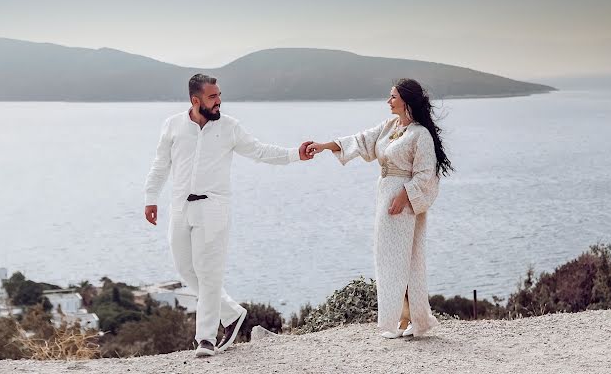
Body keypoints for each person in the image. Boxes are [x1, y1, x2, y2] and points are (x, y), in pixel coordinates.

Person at [144, 73, 313, 357]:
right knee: (186, 269)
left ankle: (205, 339)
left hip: (213, 209)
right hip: (179, 207)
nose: (219, 101)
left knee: (209, 274)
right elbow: (161, 164)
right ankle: (232, 313)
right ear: (195, 100)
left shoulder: (230, 127)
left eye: (219, 95)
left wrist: (295, 154)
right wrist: (151, 198)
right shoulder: (172, 125)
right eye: (213, 97)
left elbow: (260, 151)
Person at [307, 78, 452, 338]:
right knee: (389, 260)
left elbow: (426, 174)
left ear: (406, 101)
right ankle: (406, 318)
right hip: (385, 197)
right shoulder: (391, 127)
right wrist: (324, 146)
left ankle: (407, 320)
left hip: (403, 204)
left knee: (402, 261)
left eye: (393, 97)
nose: (388, 101)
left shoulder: (421, 135)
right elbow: (362, 140)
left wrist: (404, 196)